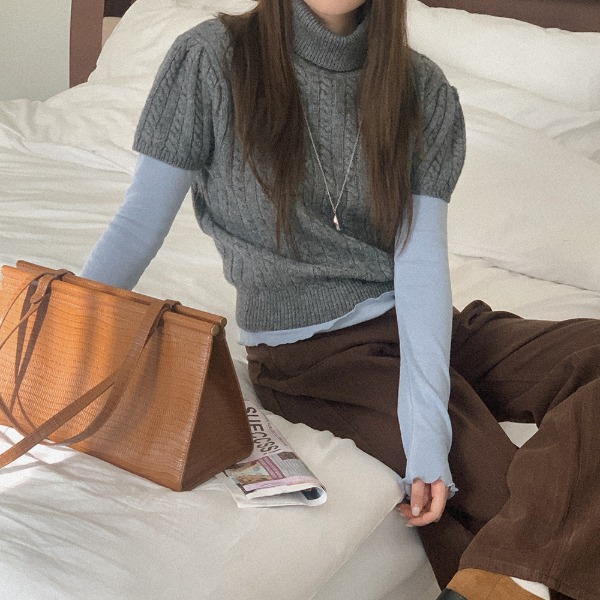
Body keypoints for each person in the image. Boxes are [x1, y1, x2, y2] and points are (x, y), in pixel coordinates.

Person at [81, 1, 600, 599]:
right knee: (511, 498)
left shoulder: (420, 88)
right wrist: (64, 341)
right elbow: (137, 226)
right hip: (315, 357)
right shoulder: (211, 59)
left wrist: (425, 425)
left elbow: (421, 263)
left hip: (423, 321)